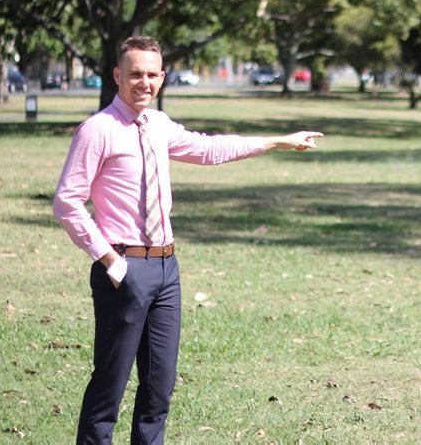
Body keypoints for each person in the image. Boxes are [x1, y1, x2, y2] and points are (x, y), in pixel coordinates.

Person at [53, 36, 322, 444]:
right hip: (123, 271)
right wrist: (110, 260)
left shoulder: (158, 125)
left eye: (152, 75)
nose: (143, 82)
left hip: (166, 270)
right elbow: (67, 202)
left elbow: (210, 149)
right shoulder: (98, 130)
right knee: (109, 389)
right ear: (117, 76)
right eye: (135, 74)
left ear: (162, 78)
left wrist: (277, 141)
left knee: (159, 390)